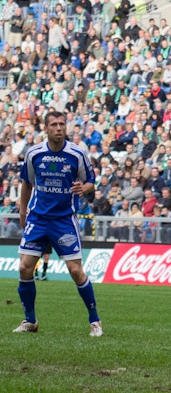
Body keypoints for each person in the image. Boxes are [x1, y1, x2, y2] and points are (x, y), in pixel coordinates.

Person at [13, 111, 101, 337]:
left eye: (62, 124)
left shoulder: (77, 153)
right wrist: (23, 211)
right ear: (46, 128)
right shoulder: (34, 153)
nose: (59, 128)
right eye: (54, 124)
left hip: (64, 220)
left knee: (76, 271)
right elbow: (26, 184)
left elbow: (91, 181)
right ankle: (30, 320)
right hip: (38, 218)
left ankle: (95, 320)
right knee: (24, 267)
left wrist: (85, 188)